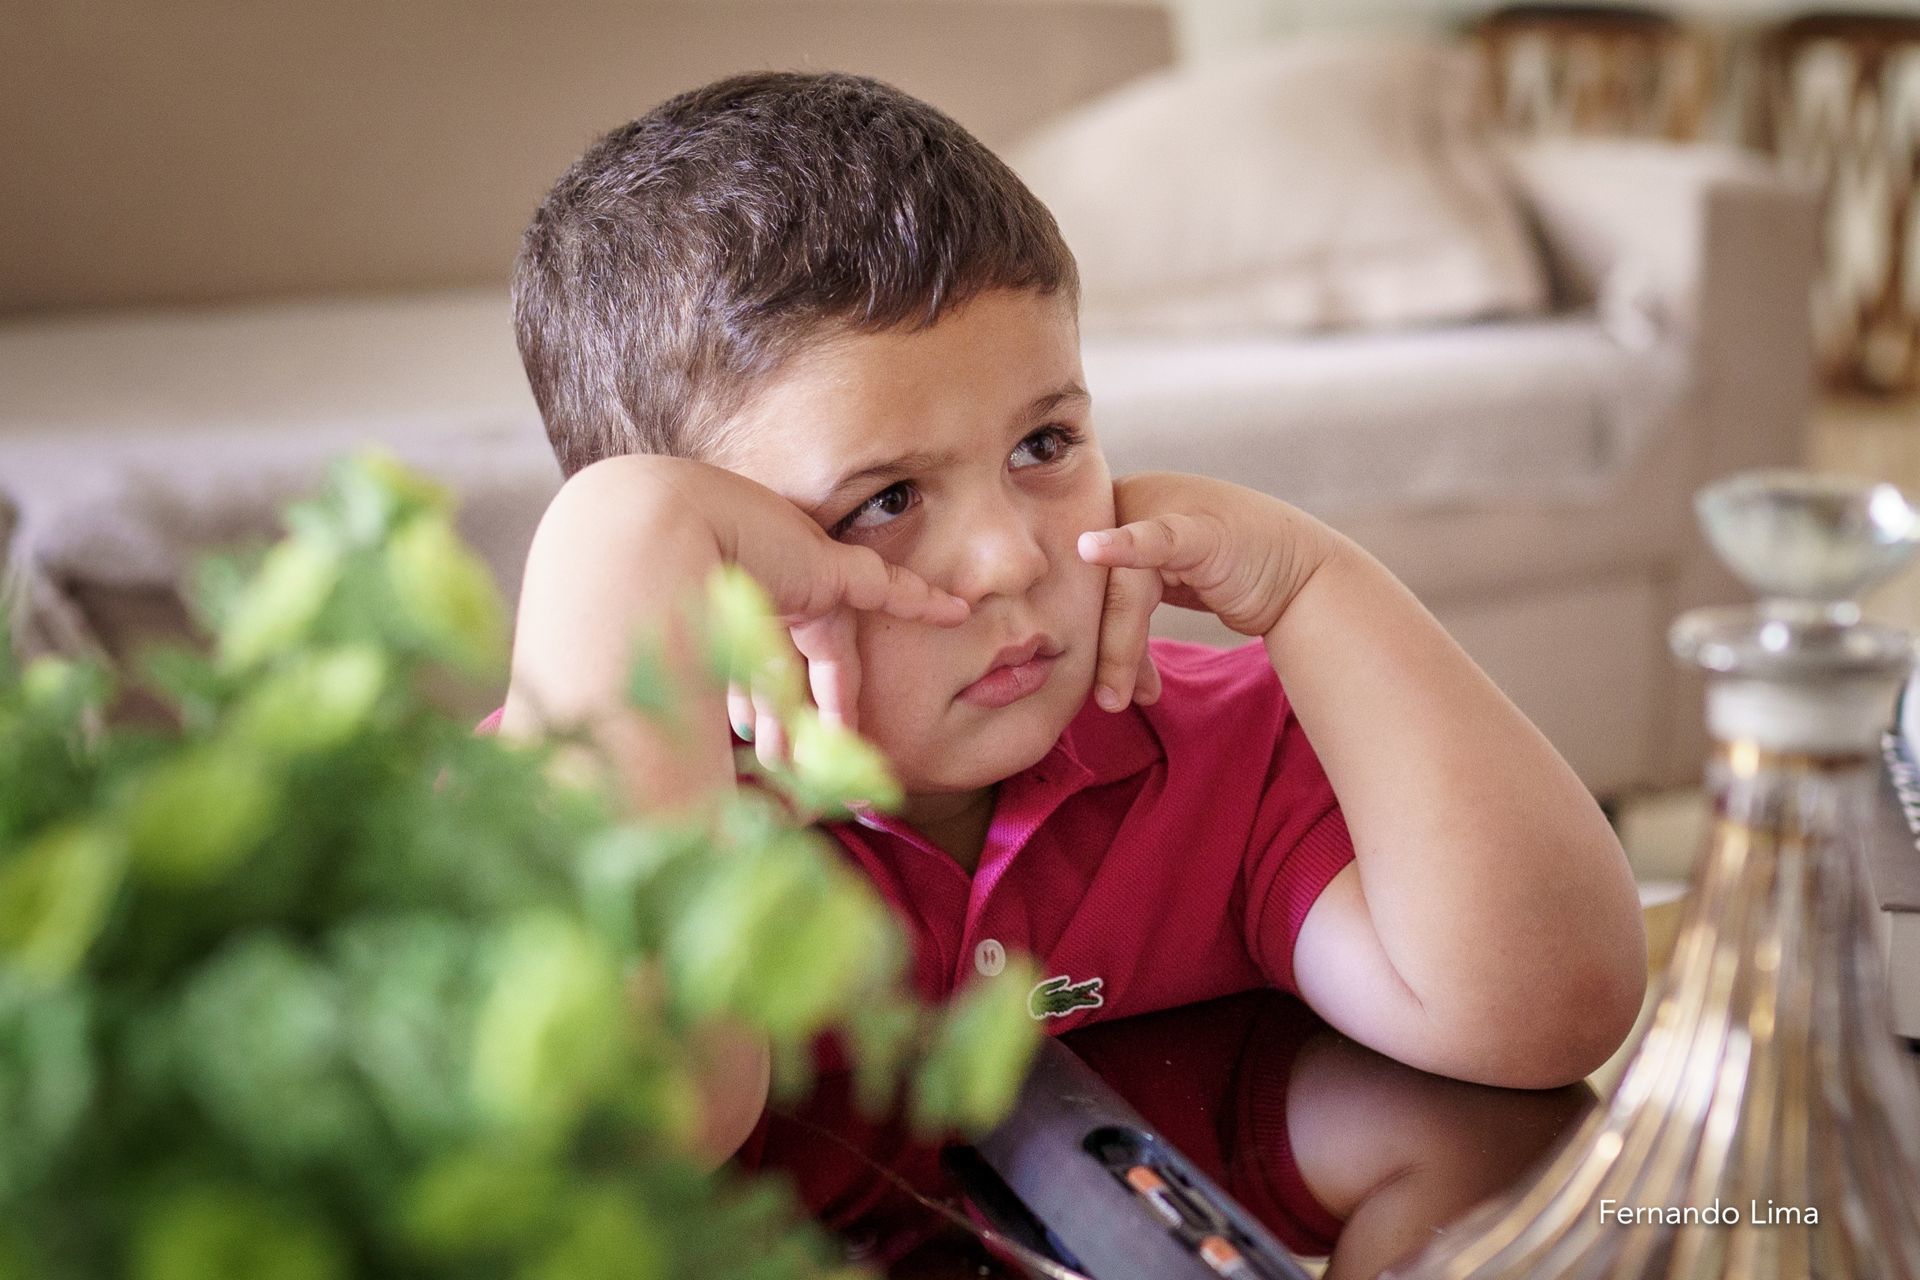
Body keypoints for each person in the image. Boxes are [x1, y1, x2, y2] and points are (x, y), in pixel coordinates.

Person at [497, 71, 1647, 1163]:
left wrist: (1315, 585)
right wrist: (620, 532)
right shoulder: (566, 795)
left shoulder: (1214, 751)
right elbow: (636, 1133)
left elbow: (1545, 1007)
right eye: (885, 501)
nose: (1012, 555)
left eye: (1044, 444)